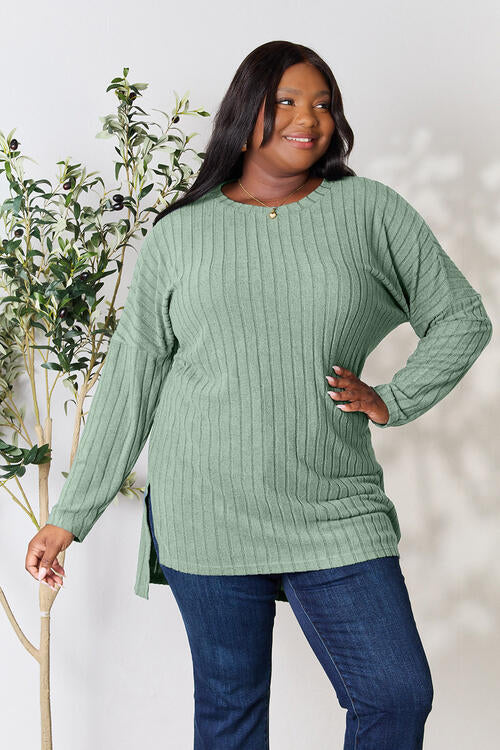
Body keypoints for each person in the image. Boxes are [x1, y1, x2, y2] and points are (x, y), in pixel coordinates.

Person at [25, 40, 492, 749]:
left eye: (323, 104)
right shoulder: (181, 236)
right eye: (287, 102)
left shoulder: (369, 211)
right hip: (206, 509)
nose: (309, 119)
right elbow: (131, 381)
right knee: (231, 713)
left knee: (396, 694)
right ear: (245, 115)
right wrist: (70, 517)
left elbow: (461, 318)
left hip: (334, 505)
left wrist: (394, 398)